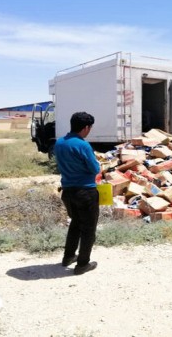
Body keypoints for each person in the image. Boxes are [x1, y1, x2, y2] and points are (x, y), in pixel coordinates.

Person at [54, 112, 101, 275]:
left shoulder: (59, 143)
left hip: (67, 191)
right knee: (88, 228)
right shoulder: (83, 145)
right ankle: (82, 264)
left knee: (75, 224)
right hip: (85, 192)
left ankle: (68, 257)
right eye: (90, 128)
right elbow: (95, 169)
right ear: (86, 127)